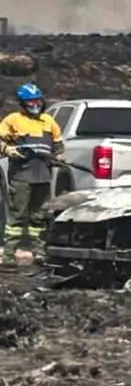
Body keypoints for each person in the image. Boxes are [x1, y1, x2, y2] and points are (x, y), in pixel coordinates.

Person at [1, 83, 63, 260]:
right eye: (30, 102)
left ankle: (39, 252)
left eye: (37, 100)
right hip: (21, 176)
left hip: (43, 176)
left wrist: (59, 156)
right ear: (22, 103)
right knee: (18, 215)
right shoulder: (13, 120)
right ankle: (9, 253)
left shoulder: (48, 121)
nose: (35, 105)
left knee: (39, 216)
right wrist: (7, 150)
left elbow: (58, 144)